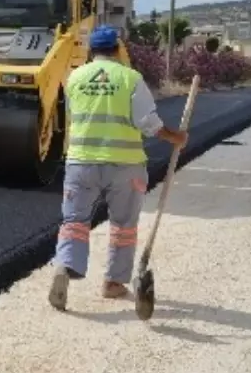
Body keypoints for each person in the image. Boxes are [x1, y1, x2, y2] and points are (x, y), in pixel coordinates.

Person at [48, 24, 189, 310]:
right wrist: (177, 137)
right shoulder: (130, 78)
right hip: (125, 165)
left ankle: (64, 266)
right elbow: (149, 123)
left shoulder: (74, 78)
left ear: (91, 50)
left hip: (81, 162)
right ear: (117, 49)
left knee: (74, 221)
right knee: (123, 225)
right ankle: (113, 283)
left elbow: (74, 116)